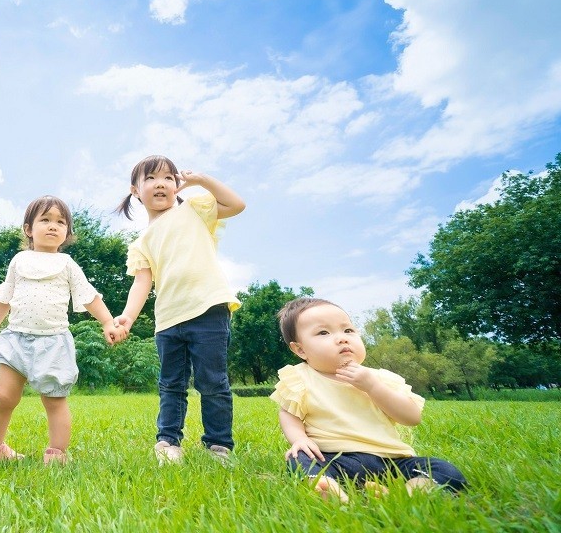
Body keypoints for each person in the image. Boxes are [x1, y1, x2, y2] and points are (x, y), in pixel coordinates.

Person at [0, 196, 127, 465]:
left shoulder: (66, 263)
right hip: (16, 339)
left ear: (67, 232)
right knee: (5, 397)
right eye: (45, 220)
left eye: (60, 222)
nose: (53, 226)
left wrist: (108, 322)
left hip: (53, 342)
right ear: (29, 229)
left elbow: (89, 297)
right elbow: (5, 298)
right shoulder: (19, 260)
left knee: (55, 400)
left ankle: (57, 453)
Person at [112, 155, 245, 465]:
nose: (161, 183)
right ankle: (168, 442)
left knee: (212, 381)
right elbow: (142, 283)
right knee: (171, 384)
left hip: (208, 308)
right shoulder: (141, 241)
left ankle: (218, 445)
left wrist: (201, 180)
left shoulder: (194, 211)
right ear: (136, 190)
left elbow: (236, 205)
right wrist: (128, 317)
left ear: (177, 185)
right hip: (169, 319)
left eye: (169, 177)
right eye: (151, 178)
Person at [271, 297, 468, 502]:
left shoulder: (381, 378)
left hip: (391, 461)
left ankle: (409, 493)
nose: (341, 338)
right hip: (334, 459)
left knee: (442, 469)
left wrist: (373, 387)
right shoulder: (301, 378)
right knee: (299, 459)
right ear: (300, 349)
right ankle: (330, 489)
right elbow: (288, 413)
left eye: (348, 330)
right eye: (323, 333)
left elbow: (412, 417)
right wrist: (300, 440)